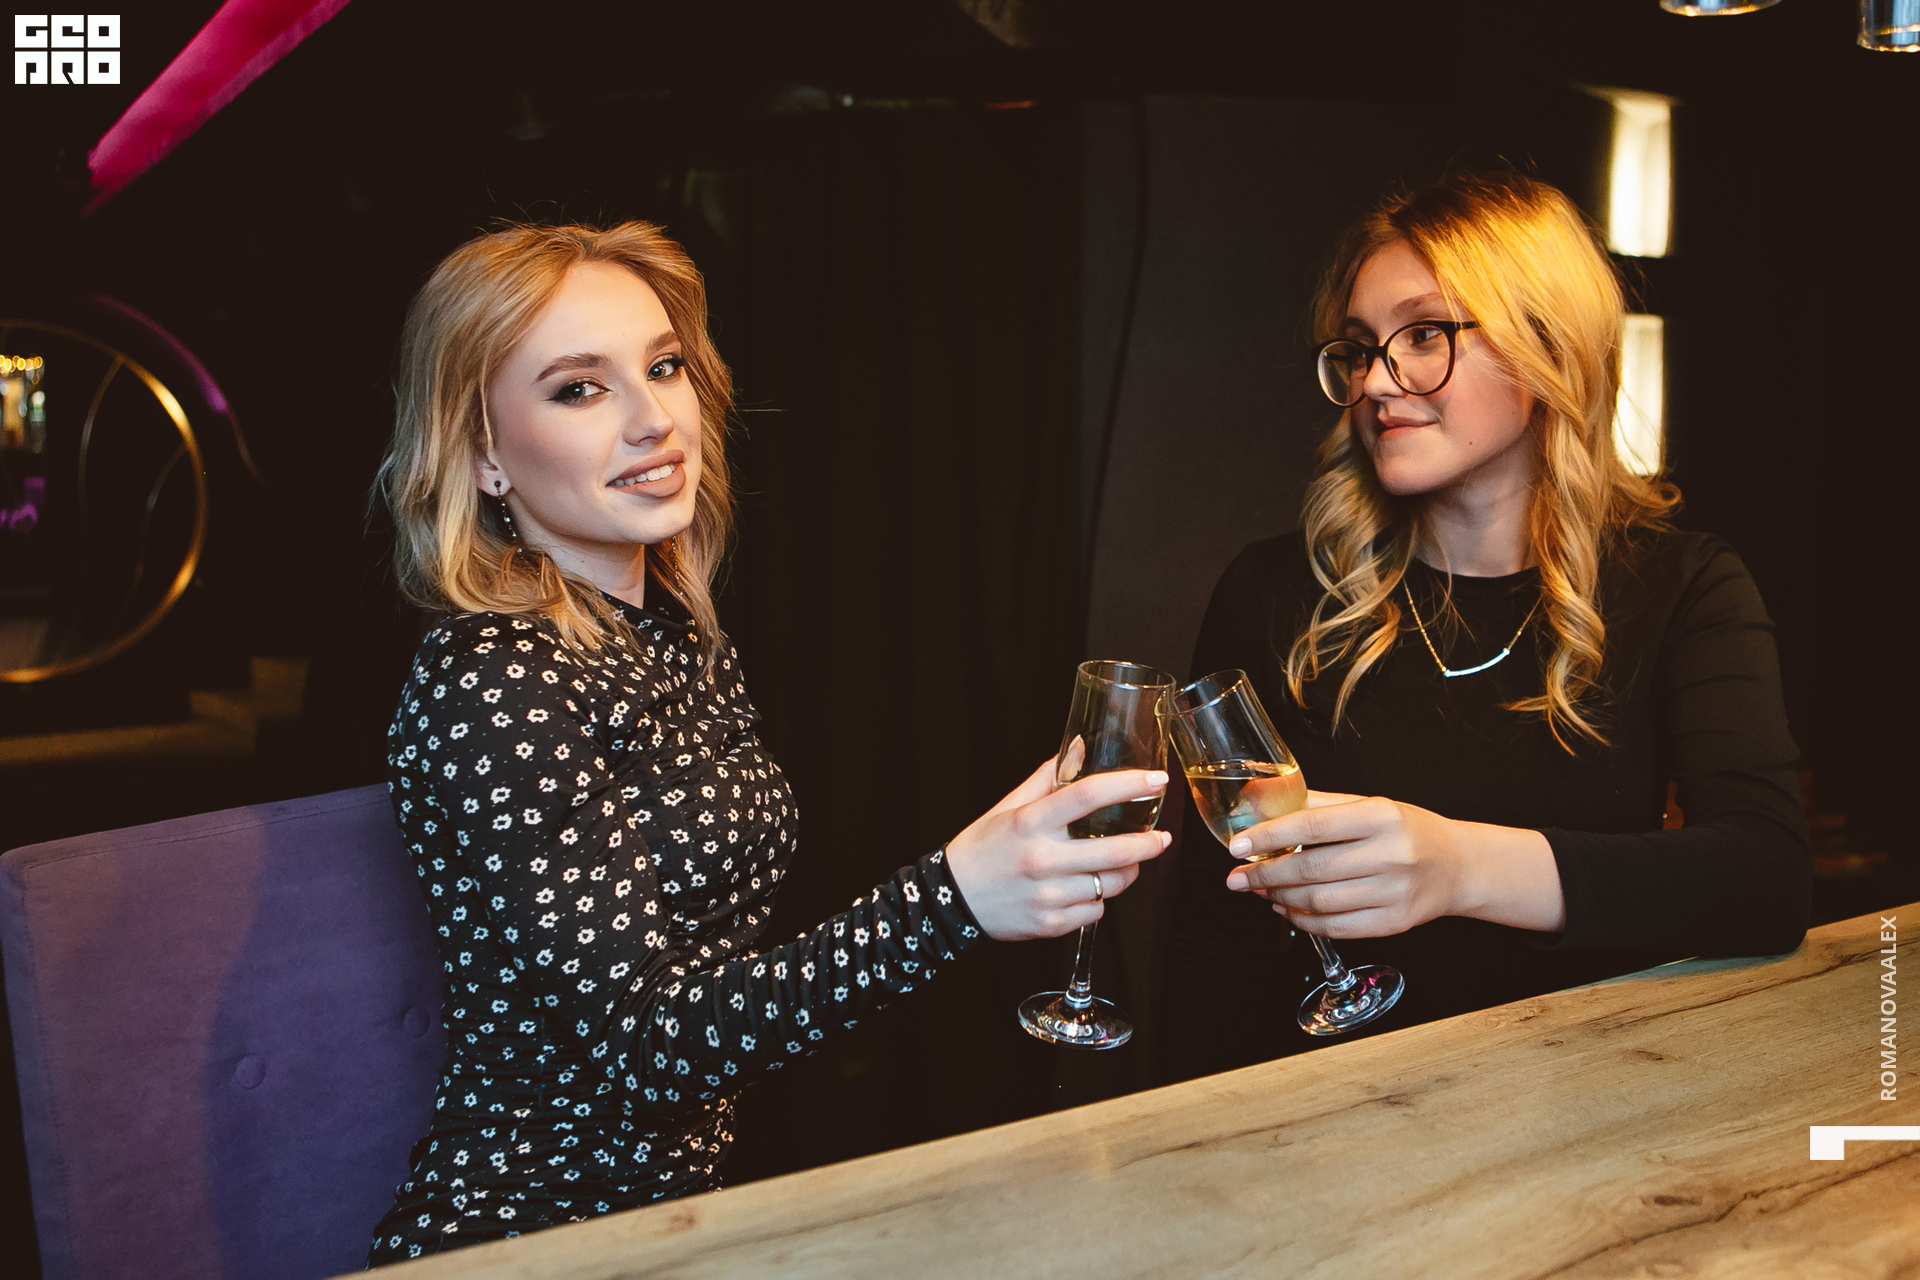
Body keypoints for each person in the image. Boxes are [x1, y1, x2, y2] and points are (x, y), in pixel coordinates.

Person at [365, 222, 1168, 1261]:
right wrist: (953, 898)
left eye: (664, 367)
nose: (655, 419)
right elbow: (648, 1050)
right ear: (481, 454)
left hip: (685, 1227)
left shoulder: (679, 641)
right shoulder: (491, 675)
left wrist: (986, 869)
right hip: (525, 1239)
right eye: (579, 388)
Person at [1160, 172, 1811, 1082]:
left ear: (1547, 345)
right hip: (1337, 1105)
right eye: (1359, 348)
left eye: (1424, 334)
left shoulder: (1683, 585)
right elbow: (1214, 927)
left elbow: (1765, 878)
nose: (1375, 381)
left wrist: (1461, 868)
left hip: (1595, 1095)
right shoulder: (1277, 593)